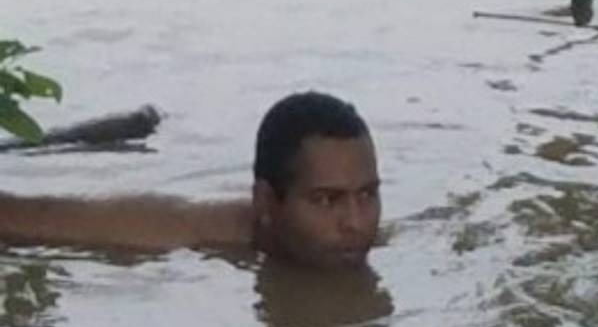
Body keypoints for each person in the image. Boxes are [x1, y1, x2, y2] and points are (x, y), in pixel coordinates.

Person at [0, 91, 381, 270]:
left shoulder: (381, 239)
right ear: (265, 202)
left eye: (367, 194)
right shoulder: (181, 230)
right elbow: (23, 216)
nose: (356, 222)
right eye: (326, 200)